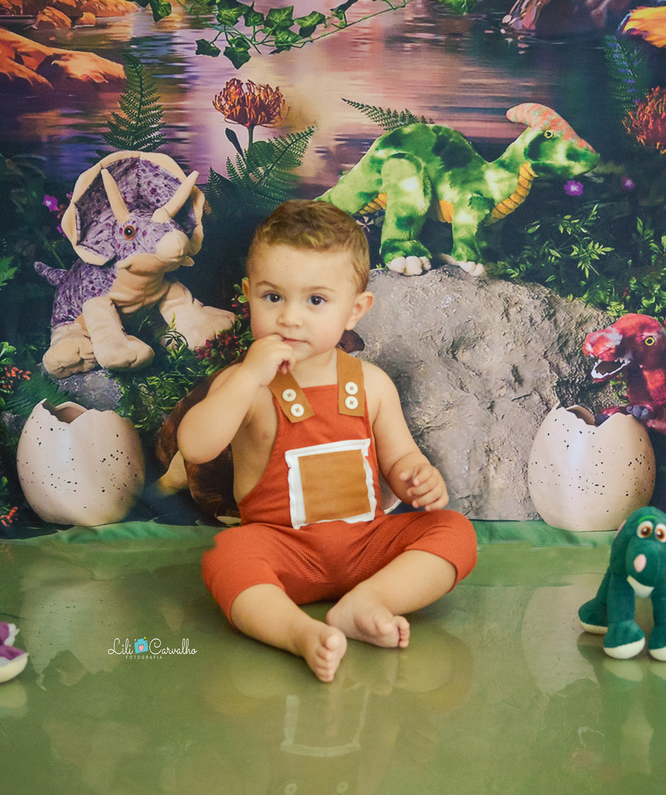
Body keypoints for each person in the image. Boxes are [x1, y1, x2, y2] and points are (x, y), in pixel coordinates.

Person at [178, 199, 477, 682]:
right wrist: (247, 377)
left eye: (315, 301)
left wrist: (417, 478)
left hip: (368, 548)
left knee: (454, 531)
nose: (289, 318)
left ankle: (367, 603)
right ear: (248, 295)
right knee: (226, 557)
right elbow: (196, 446)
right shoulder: (246, 387)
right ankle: (296, 632)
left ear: (355, 310)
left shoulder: (372, 384)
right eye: (273, 298)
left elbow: (401, 458)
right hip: (282, 551)